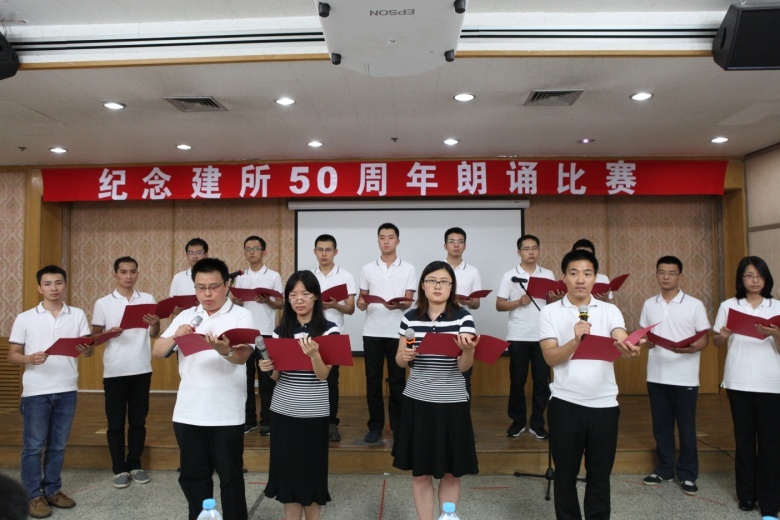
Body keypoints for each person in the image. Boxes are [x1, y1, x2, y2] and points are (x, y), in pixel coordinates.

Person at [539, 249, 641, 520]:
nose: (580, 279)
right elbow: (550, 357)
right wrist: (575, 341)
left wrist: (629, 346)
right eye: (574, 273)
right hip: (565, 405)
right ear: (564, 277)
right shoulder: (550, 312)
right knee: (565, 477)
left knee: (600, 478)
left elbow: (620, 336)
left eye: (587, 273)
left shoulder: (609, 310)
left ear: (596, 278)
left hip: (604, 406)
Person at [153, 258, 255, 520]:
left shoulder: (241, 315)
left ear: (227, 284)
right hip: (188, 413)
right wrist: (177, 336)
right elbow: (157, 351)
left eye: (213, 287)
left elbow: (243, 356)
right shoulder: (186, 316)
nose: (207, 294)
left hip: (226, 414)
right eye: (201, 288)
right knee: (193, 477)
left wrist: (225, 350)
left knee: (231, 478)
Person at [393, 261, 480, 520]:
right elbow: (400, 359)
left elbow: (464, 367)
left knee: (451, 472)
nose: (437, 286)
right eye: (432, 280)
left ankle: (447, 517)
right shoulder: (410, 317)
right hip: (417, 401)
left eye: (444, 281)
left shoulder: (463, 317)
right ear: (423, 285)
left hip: (452, 401)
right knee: (421, 473)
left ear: (452, 287)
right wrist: (404, 356)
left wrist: (468, 351)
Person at [7, 265, 93, 519]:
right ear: (39, 288)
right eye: (48, 283)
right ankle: (32, 495)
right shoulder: (25, 318)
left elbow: (88, 352)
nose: (54, 288)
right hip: (36, 391)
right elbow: (12, 355)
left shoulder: (77, 314)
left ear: (65, 285)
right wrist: (28, 358)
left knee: (58, 446)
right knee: (34, 447)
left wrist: (87, 349)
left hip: (67, 389)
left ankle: (53, 490)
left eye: (58, 283)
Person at [259, 270, 338, 520]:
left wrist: (314, 355)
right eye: (293, 295)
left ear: (316, 297)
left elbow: (323, 375)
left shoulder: (329, 331)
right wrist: (267, 368)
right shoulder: (280, 331)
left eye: (305, 294)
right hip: (283, 411)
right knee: (288, 475)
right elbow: (276, 377)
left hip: (314, 411)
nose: (299, 299)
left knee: (312, 473)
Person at [712, 256, 780, 518]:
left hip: (771, 383)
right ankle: (746, 496)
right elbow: (717, 342)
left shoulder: (776, 307)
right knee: (744, 439)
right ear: (741, 279)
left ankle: (770, 502)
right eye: (749, 275)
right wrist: (722, 336)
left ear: (766, 278)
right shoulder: (729, 305)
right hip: (738, 380)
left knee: (771, 442)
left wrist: (775, 333)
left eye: (759, 276)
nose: (755, 280)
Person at [639, 256, 710, 495]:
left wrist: (692, 348)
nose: (666, 277)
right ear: (656, 274)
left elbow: (703, 338)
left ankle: (688, 474)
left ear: (680, 275)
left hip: (685, 377)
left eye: (671, 272)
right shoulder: (649, 304)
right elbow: (645, 335)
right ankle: (664, 469)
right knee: (661, 426)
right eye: (662, 272)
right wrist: (646, 342)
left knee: (686, 427)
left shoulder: (694, 304)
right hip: (656, 375)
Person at [92, 256, 161, 489]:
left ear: (137, 273)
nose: (128, 276)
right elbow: (94, 337)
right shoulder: (103, 303)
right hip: (115, 371)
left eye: (132, 271)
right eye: (123, 272)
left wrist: (155, 322)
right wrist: (109, 333)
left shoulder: (148, 299)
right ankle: (118, 468)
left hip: (141, 368)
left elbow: (154, 333)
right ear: (115, 274)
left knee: (138, 421)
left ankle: (135, 464)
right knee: (115, 423)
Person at [357, 223, 417, 444]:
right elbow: (361, 299)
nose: (386, 241)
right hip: (372, 331)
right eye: (382, 237)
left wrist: (398, 305)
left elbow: (409, 300)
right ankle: (375, 426)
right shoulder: (367, 268)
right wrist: (361, 303)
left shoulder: (408, 268)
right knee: (372, 380)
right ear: (378, 241)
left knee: (398, 380)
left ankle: (399, 426)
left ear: (397, 241)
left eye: (390, 237)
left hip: (398, 332)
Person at [496, 234, 555, 439]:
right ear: (519, 252)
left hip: (544, 337)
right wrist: (518, 302)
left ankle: (538, 423)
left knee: (542, 382)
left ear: (539, 251)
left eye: (534, 248)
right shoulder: (509, 276)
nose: (531, 252)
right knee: (517, 382)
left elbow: (554, 304)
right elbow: (499, 305)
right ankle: (518, 421)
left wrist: (555, 298)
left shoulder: (547, 274)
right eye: (526, 248)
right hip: (518, 335)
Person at [233, 235, 284, 436]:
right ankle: (249, 420)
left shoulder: (273, 276)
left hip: (266, 333)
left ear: (264, 252)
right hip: (244, 334)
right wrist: (236, 301)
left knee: (266, 380)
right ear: (244, 252)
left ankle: (267, 422)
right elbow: (237, 303)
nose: (252, 252)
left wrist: (268, 301)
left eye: (255, 248)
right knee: (244, 380)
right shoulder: (240, 277)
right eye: (248, 249)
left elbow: (281, 303)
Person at [311, 234, 357, 442]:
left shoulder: (345, 276)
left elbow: (350, 309)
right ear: (315, 252)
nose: (324, 254)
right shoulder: (309, 277)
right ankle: (313, 420)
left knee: (331, 381)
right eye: (320, 249)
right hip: (312, 334)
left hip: (335, 335)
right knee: (311, 380)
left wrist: (334, 305)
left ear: (335, 252)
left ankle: (331, 423)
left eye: (328, 250)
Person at [443, 227, 482, 399]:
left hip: (463, 324)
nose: (456, 245)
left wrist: (470, 302)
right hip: (440, 321)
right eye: (452, 241)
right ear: (445, 245)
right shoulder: (437, 268)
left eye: (460, 242)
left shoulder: (473, 271)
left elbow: (477, 304)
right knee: (442, 369)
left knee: (464, 375)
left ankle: (463, 411)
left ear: (465, 246)